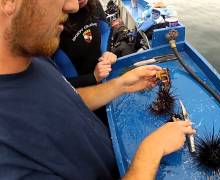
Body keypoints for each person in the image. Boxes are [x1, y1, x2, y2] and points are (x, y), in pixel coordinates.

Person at [0, 0, 195, 180]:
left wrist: (121, 84)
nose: (73, 6)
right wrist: (151, 151)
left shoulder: (33, 58)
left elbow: (70, 99)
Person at [54, 0, 114, 123]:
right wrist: (92, 77)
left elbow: (104, 30)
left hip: (106, 85)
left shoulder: (93, 4)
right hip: (79, 103)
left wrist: (105, 53)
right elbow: (53, 85)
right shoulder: (51, 20)